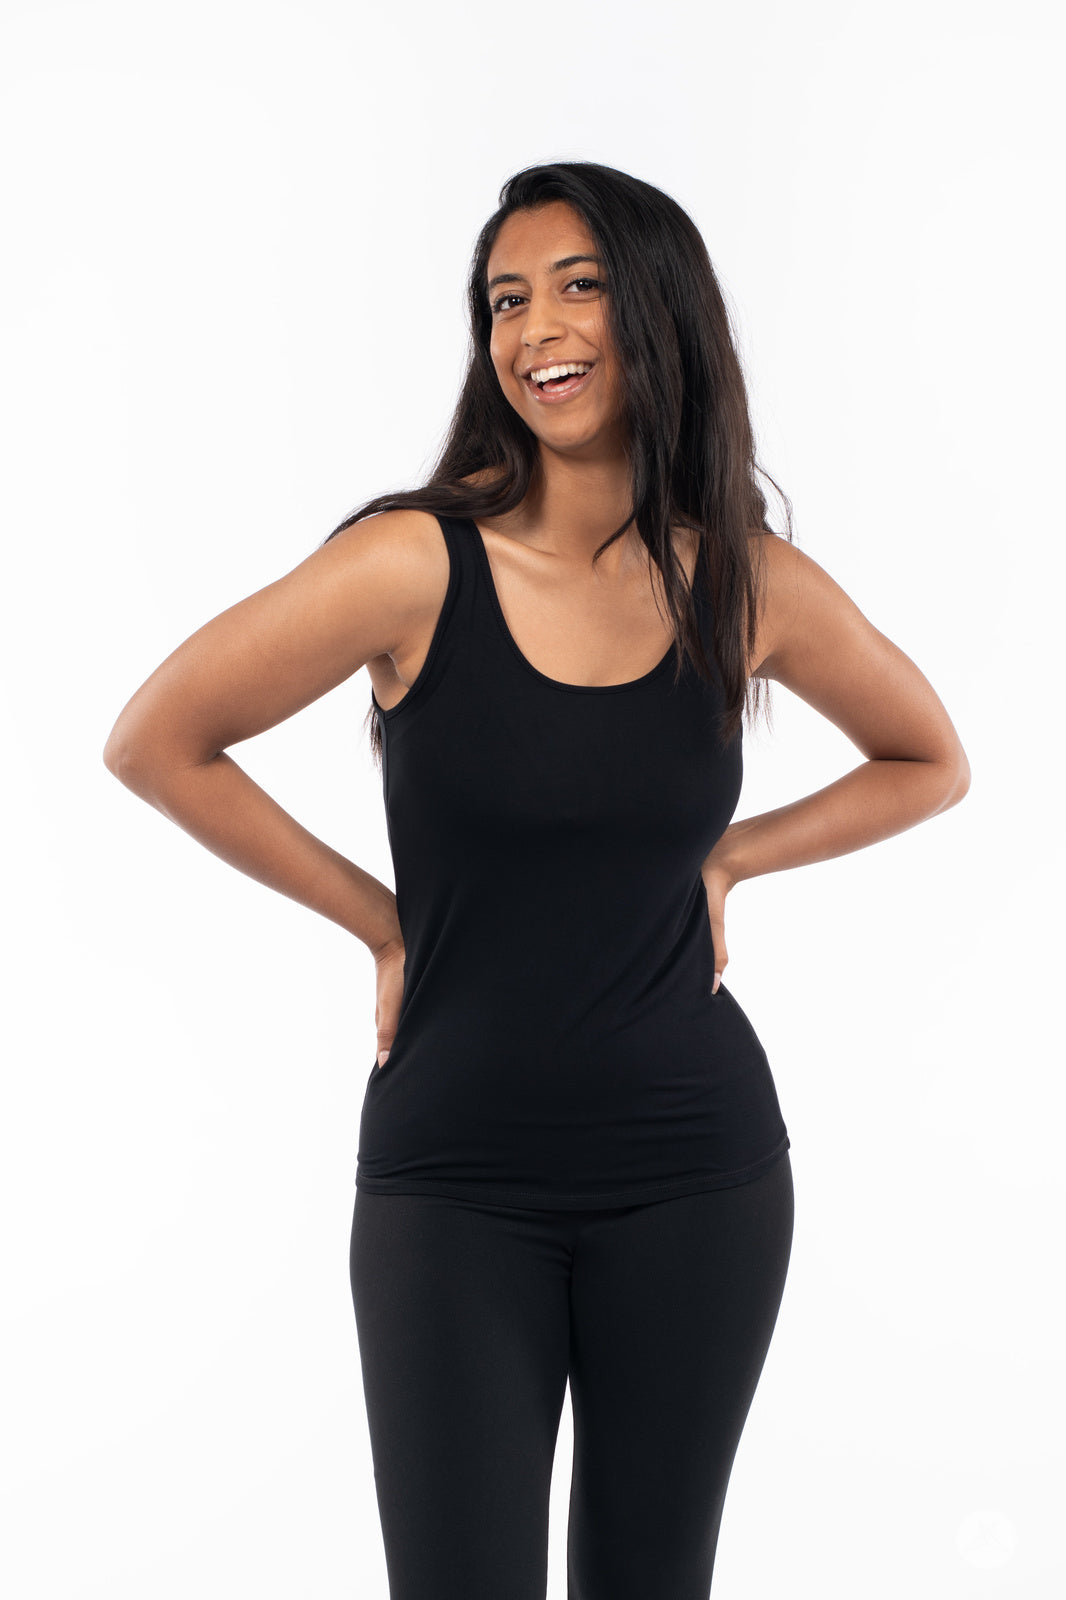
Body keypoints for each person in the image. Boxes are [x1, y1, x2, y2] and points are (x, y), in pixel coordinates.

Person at [103, 161, 970, 1599]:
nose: (535, 327)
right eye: (506, 298)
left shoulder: (740, 584)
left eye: (575, 285)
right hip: (454, 1187)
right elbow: (158, 740)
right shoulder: (411, 564)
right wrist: (379, 925)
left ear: (656, 313)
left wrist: (735, 855)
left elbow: (927, 759)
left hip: (698, 1177)